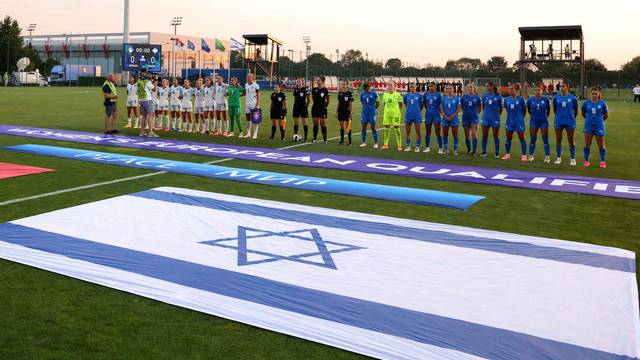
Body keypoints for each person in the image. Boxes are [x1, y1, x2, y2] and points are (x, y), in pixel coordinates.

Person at [581, 86, 609, 168]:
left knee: (601, 145)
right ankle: (586, 161)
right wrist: (589, 120)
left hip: (599, 127)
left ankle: (602, 161)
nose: (594, 95)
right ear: (590, 94)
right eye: (593, 94)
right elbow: (583, 113)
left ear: (598, 94)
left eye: (595, 94)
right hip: (588, 127)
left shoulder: (602, 103)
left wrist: (599, 121)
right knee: (587, 145)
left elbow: (606, 115)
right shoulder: (586, 103)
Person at [552, 82, 578, 165]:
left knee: (571, 140)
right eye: (560, 86)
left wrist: (571, 117)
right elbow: (555, 109)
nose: (561, 88)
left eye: (563, 86)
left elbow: (576, 111)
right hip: (559, 121)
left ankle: (573, 159)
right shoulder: (556, 97)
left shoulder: (573, 98)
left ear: (567, 87)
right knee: (558, 140)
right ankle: (558, 158)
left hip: (570, 122)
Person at [501, 83, 527, 161]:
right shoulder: (507, 99)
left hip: (519, 121)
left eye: (512, 89)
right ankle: (507, 154)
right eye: (509, 89)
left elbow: (524, 110)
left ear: (516, 90)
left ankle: (524, 156)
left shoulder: (521, 99)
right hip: (509, 121)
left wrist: (520, 118)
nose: (510, 90)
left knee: (522, 138)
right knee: (508, 138)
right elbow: (506, 108)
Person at [527, 84, 551, 162]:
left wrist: (545, 117)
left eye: (539, 90)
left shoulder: (546, 99)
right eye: (536, 90)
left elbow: (548, 110)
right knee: (533, 139)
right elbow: (529, 110)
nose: (537, 91)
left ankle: (547, 157)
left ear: (542, 91)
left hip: (543, 121)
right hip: (534, 121)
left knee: (545, 139)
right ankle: (531, 155)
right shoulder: (530, 100)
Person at [481, 82, 503, 158]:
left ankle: (497, 152)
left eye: (487, 86)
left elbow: (501, 108)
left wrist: (496, 115)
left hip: (495, 118)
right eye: (486, 86)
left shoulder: (498, 96)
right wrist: (486, 114)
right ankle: (484, 152)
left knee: (495, 136)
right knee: (484, 135)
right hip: (486, 118)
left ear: (492, 87)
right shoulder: (484, 96)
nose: (486, 87)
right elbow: (483, 107)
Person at [381, 82, 403, 150]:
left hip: (395, 114)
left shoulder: (398, 95)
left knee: (396, 128)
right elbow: (384, 104)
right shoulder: (385, 95)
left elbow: (400, 104)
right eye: (389, 86)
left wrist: (396, 110)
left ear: (394, 87)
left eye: (391, 86)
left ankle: (399, 145)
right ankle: (385, 145)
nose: (390, 87)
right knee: (386, 128)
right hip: (387, 114)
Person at [460, 83, 481, 155]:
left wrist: (474, 113)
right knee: (467, 135)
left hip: (474, 118)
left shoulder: (477, 97)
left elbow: (480, 108)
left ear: (474, 88)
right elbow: (462, 107)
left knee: (474, 134)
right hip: (465, 118)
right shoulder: (464, 97)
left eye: (471, 87)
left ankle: (474, 151)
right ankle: (469, 149)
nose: (469, 88)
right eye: (468, 87)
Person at [440, 85, 461, 155]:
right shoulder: (443, 98)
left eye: (450, 88)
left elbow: (458, 109)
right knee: (445, 135)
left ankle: (455, 150)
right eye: (447, 88)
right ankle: (446, 149)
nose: (448, 89)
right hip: (445, 119)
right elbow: (441, 108)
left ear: (453, 90)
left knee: (455, 135)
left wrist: (452, 116)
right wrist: (445, 116)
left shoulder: (456, 98)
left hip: (454, 119)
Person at [136, 72, 158, 138]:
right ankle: (150, 132)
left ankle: (142, 132)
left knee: (144, 116)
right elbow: (154, 89)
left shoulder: (139, 81)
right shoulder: (147, 81)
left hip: (141, 100)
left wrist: (152, 81)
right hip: (147, 100)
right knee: (150, 115)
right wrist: (155, 82)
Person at [403, 82, 423, 152]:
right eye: (410, 87)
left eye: (413, 87)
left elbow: (421, 106)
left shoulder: (419, 95)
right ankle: (408, 146)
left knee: (418, 131)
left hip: (417, 115)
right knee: (407, 131)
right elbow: (405, 104)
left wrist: (417, 111)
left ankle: (417, 146)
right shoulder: (406, 96)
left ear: (415, 87)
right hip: (408, 115)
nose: (411, 88)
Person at [423, 83, 442, 153]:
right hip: (428, 115)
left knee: (438, 132)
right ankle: (427, 147)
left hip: (436, 115)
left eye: (432, 86)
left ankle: (440, 148)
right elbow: (424, 103)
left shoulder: (438, 94)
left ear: (435, 87)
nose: (430, 87)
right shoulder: (426, 94)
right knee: (428, 132)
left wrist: (439, 112)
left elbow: (441, 104)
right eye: (429, 86)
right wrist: (428, 109)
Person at [359, 83, 379, 148]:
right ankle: (364, 142)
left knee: (373, 127)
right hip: (364, 113)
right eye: (363, 88)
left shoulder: (374, 93)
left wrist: (374, 109)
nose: (364, 89)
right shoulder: (362, 94)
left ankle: (376, 143)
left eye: (365, 88)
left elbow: (378, 103)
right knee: (363, 127)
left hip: (372, 113)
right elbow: (362, 102)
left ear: (368, 87)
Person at [311, 76, 330, 143]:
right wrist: (316, 104)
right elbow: (313, 98)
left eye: (319, 80)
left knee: (323, 123)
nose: (317, 81)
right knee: (315, 123)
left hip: (322, 109)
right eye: (317, 80)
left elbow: (328, 100)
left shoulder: (325, 90)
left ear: (322, 82)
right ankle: (314, 138)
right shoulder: (314, 89)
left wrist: (325, 106)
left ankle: (325, 139)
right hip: (315, 108)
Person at [242, 74, 261, 139]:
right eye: (247, 76)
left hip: (254, 104)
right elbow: (245, 93)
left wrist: (257, 104)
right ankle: (248, 133)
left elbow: (258, 96)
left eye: (249, 76)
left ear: (252, 77)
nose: (248, 77)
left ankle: (255, 134)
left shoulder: (256, 85)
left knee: (255, 120)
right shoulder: (246, 85)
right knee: (248, 119)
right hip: (247, 104)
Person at [336, 81, 354, 145]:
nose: (343, 85)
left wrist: (351, 112)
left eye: (344, 84)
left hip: (347, 112)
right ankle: (342, 140)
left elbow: (351, 104)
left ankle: (350, 141)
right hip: (340, 111)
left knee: (347, 127)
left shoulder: (350, 94)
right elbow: (338, 103)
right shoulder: (340, 93)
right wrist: (336, 112)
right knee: (341, 126)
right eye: (342, 84)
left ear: (347, 85)